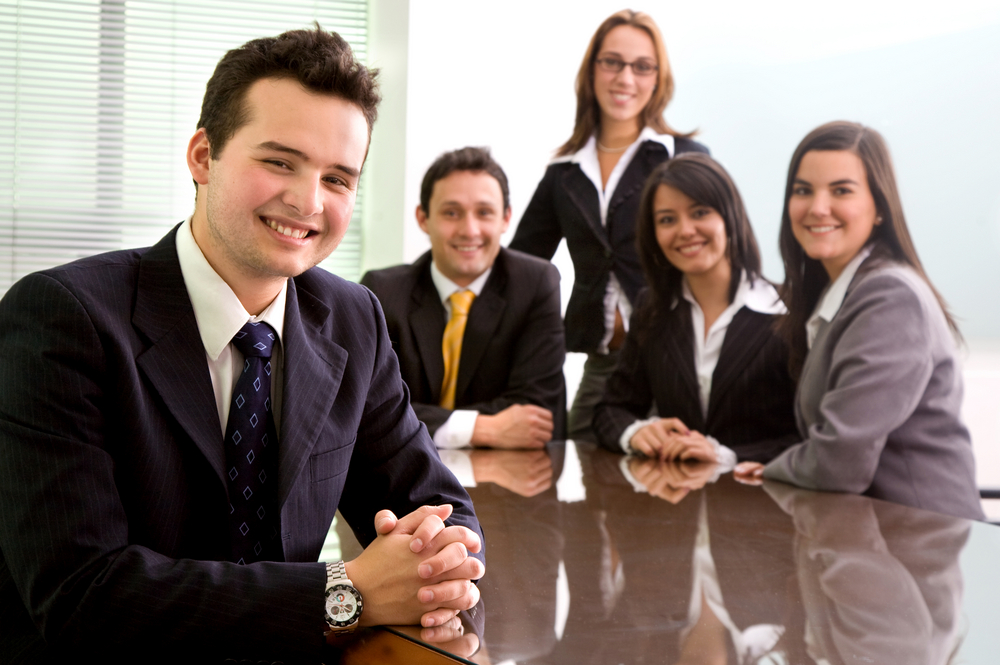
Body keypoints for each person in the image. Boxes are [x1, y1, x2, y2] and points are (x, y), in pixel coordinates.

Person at [0, 27, 485, 662]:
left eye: (338, 178)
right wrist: (349, 592)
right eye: (280, 161)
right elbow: (84, 598)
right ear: (203, 156)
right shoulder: (64, 319)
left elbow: (441, 509)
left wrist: (435, 558)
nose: (308, 201)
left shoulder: (351, 318)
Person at [734, 121, 984, 521]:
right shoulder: (838, 295)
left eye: (841, 190)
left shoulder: (890, 297)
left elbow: (838, 462)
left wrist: (775, 469)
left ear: (880, 208)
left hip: (918, 548)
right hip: (869, 543)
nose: (817, 207)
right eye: (803, 190)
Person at [509, 9, 709, 435]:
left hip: (679, 360)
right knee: (576, 464)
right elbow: (521, 267)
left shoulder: (682, 156)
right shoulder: (564, 171)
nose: (626, 78)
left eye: (642, 66)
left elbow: (719, 257)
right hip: (604, 365)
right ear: (593, 70)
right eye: (612, 62)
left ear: (658, 78)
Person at [593, 153, 797, 467]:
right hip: (676, 502)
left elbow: (812, 435)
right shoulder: (652, 310)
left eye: (699, 212)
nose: (685, 230)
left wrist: (726, 456)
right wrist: (635, 432)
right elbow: (610, 409)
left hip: (769, 503)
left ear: (730, 217)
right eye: (667, 220)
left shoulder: (790, 311)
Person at [361, 147, 565, 450]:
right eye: (451, 213)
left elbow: (535, 414)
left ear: (506, 218)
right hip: (406, 475)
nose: (469, 231)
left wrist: (432, 421)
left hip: (516, 478)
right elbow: (368, 407)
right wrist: (482, 428)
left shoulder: (536, 283)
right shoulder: (383, 292)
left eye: (484, 213)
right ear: (423, 218)